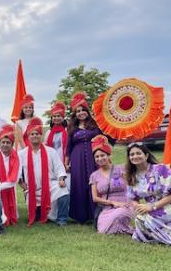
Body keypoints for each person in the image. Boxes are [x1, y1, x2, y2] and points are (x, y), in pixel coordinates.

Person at [125, 143, 171, 248]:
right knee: (140, 218)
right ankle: (159, 237)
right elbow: (132, 198)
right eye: (132, 154)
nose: (135, 156)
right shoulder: (131, 176)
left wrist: (151, 207)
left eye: (138, 153)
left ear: (146, 156)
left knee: (147, 219)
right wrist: (138, 207)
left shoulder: (161, 169)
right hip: (153, 207)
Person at [18, 117, 69, 226]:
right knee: (37, 217)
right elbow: (17, 171)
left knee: (63, 190)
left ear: (41, 136)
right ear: (28, 136)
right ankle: (38, 212)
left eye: (37, 133)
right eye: (32, 134)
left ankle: (62, 219)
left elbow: (59, 167)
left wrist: (61, 179)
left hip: (50, 185)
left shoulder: (51, 151)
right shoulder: (21, 154)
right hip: (32, 189)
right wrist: (21, 182)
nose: (35, 136)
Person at [66, 92, 105, 224]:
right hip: (77, 159)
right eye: (78, 111)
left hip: (94, 156)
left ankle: (97, 213)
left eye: (83, 110)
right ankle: (80, 216)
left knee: (95, 182)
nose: (81, 113)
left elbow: (105, 139)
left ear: (87, 111)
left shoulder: (96, 125)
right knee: (79, 184)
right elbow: (68, 147)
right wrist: (67, 162)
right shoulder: (72, 127)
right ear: (75, 114)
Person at [89, 135, 134, 234]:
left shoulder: (121, 169)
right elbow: (95, 198)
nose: (100, 158)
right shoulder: (94, 175)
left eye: (102, 155)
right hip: (107, 207)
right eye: (97, 156)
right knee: (102, 229)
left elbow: (131, 187)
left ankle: (123, 227)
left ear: (109, 156)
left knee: (120, 214)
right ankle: (119, 228)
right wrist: (113, 203)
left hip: (124, 204)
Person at [44, 101, 68, 165]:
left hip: (64, 161)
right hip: (51, 161)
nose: (56, 118)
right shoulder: (48, 133)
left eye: (58, 116)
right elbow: (45, 148)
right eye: (54, 116)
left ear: (63, 118)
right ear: (52, 118)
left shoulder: (67, 131)